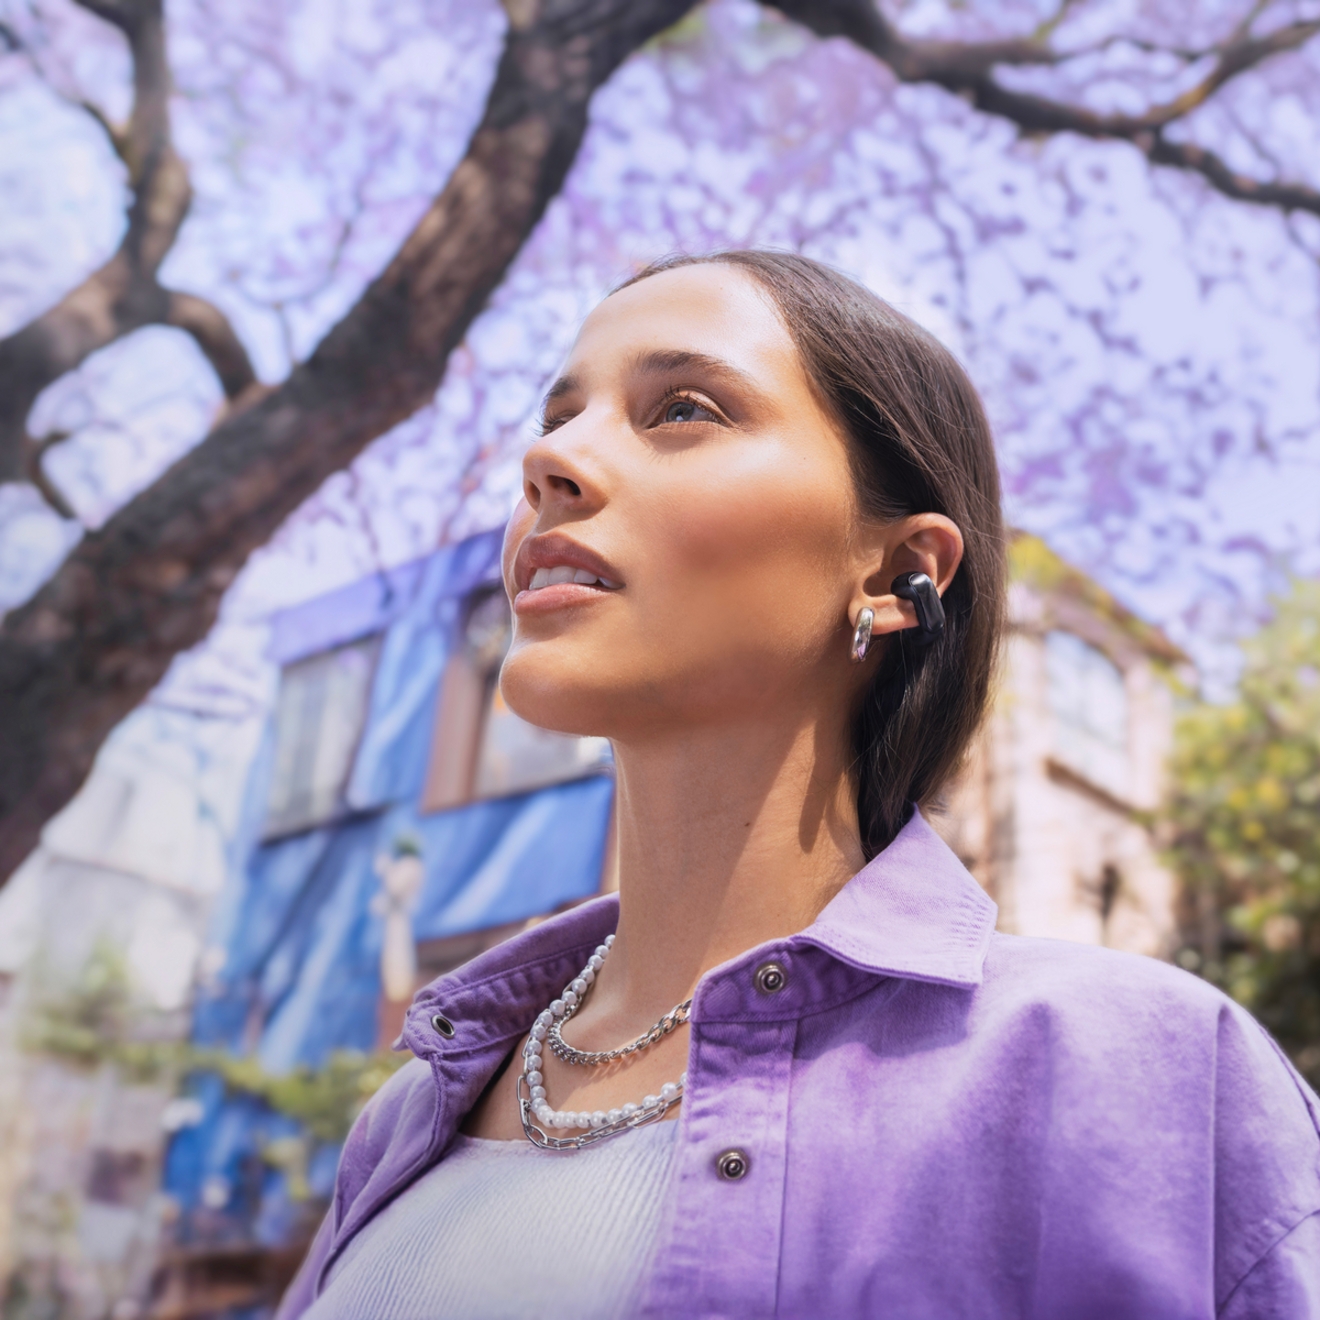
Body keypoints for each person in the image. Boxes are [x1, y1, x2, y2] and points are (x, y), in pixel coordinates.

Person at [278, 251, 1320, 1319]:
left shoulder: (1136, 1075)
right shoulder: (408, 1119)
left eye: (681, 409)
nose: (549, 458)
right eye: (560, 415)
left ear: (896, 572)